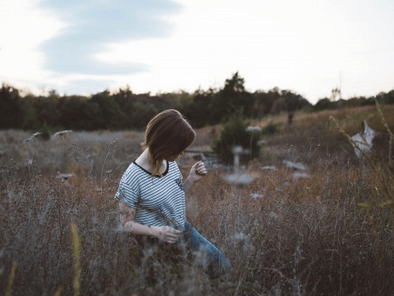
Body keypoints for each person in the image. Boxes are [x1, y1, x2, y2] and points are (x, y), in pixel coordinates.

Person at [115, 109, 231, 278]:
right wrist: (156, 231)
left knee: (222, 267)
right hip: (156, 244)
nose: (181, 154)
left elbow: (172, 197)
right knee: (175, 284)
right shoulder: (132, 177)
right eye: (178, 149)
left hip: (183, 230)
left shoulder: (169, 163)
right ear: (164, 143)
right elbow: (126, 224)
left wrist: (191, 180)